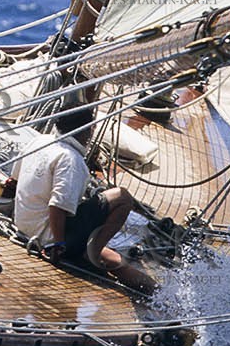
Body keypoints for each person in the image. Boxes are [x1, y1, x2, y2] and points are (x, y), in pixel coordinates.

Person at [14, 99, 155, 296]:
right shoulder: (72, 159)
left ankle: (91, 249)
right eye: (91, 127)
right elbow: (57, 206)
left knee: (115, 258)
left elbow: (14, 179)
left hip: (23, 224)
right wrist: (58, 244)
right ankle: (92, 254)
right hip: (49, 238)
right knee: (122, 197)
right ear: (86, 130)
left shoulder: (39, 141)